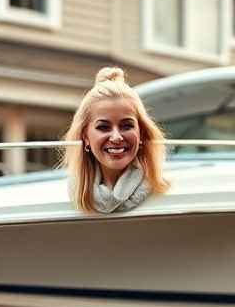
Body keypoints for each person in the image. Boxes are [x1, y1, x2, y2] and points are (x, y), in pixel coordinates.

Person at [62, 66, 169, 213]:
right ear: (85, 137)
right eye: (103, 127)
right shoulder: (61, 201)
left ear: (142, 133)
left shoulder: (167, 195)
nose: (116, 137)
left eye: (126, 126)